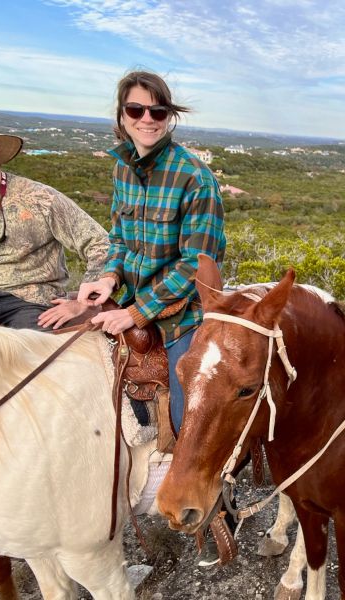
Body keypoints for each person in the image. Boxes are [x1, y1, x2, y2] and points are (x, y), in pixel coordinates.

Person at [77, 70, 226, 437]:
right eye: (136, 109)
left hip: (181, 314)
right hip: (127, 296)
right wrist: (109, 277)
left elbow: (196, 263)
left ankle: (203, 490)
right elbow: (119, 238)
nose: (146, 119)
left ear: (168, 117)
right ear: (122, 115)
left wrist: (136, 313)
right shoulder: (122, 168)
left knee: (185, 420)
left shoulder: (194, 176)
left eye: (157, 112)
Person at [0, 111, 108, 330]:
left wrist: (82, 303)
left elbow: (100, 243)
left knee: (29, 361)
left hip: (32, 303)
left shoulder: (40, 198)